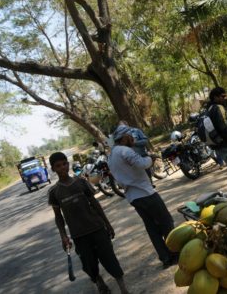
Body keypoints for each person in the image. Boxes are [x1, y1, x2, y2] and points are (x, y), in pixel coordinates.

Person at [48, 152, 129, 294]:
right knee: (89, 265)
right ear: (53, 169)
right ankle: (100, 283)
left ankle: (124, 289)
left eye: (64, 164)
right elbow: (58, 217)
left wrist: (107, 224)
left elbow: (95, 204)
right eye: (58, 166)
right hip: (79, 235)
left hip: (97, 228)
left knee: (110, 259)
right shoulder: (54, 192)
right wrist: (63, 236)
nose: (62, 168)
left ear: (68, 164)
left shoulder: (81, 182)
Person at [108, 125, 178, 268]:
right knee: (166, 222)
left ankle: (165, 258)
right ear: (124, 137)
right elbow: (142, 164)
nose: (133, 138)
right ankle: (176, 253)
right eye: (130, 136)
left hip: (133, 197)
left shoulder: (112, 155)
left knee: (152, 228)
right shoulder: (125, 151)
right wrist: (150, 158)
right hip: (145, 193)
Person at [116, 121, 155, 187]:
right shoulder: (118, 138)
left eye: (123, 127)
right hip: (129, 161)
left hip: (141, 156)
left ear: (127, 125)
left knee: (147, 174)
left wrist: (135, 143)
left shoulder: (136, 131)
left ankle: (150, 185)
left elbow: (145, 141)